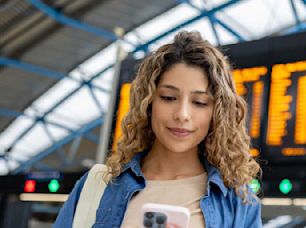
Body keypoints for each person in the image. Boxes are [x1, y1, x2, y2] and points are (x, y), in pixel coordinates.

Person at [54, 31, 262, 228]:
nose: (182, 114)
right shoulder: (97, 186)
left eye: (199, 102)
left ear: (216, 112)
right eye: (168, 98)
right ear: (149, 102)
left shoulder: (239, 202)